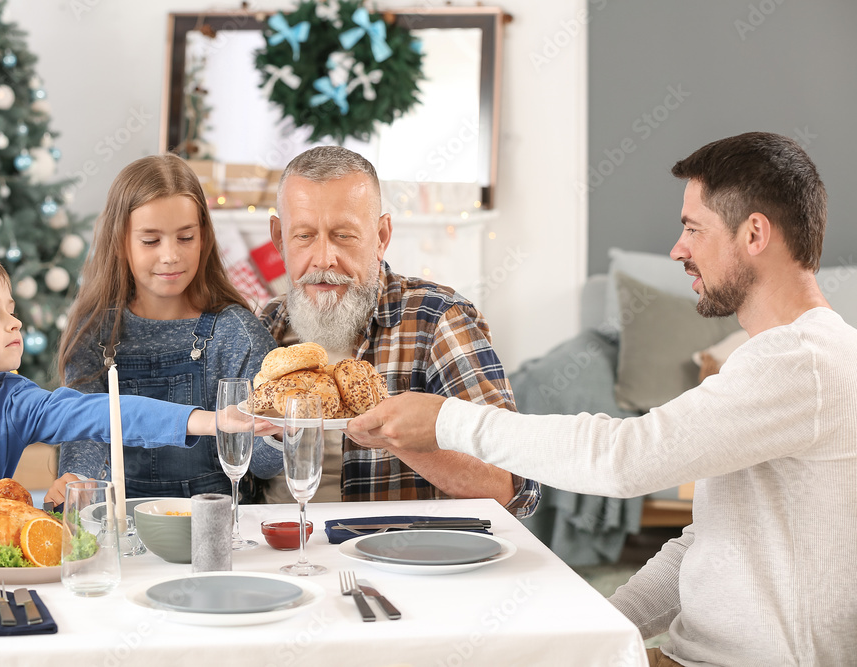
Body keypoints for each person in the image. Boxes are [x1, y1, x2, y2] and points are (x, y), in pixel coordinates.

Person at [348, 132, 857, 665]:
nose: (678, 248)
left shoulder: (804, 363)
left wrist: (448, 420)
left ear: (754, 233)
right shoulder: (777, 359)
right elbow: (702, 543)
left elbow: (625, 459)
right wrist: (600, 627)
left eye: (692, 228)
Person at [259, 146, 539, 519]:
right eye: (304, 236)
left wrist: (403, 441)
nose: (324, 258)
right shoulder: (267, 323)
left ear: (380, 236)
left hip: (395, 557)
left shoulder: (438, 321)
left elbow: (514, 489)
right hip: (277, 551)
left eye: (343, 235)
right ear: (279, 237)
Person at [0, 251, 234, 506]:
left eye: (11, 309)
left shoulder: (16, 401)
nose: (15, 322)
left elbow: (105, 413)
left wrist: (213, 421)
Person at [49, 154, 280, 507]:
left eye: (185, 237)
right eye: (151, 241)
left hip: (218, 524)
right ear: (120, 242)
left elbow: (264, 465)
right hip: (122, 524)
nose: (170, 255)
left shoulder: (235, 333)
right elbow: (86, 434)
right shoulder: (95, 332)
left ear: (203, 237)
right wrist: (78, 480)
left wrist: (280, 432)